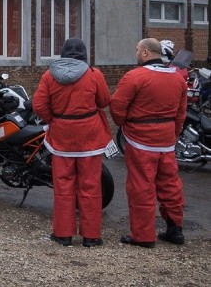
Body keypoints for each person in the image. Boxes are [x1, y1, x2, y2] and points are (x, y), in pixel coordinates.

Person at [32, 38, 112, 247]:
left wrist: (54, 119)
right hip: (89, 137)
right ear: (84, 54)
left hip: (61, 137)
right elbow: (103, 101)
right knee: (91, 187)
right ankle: (91, 236)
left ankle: (63, 234)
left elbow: (39, 105)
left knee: (63, 187)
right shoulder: (94, 74)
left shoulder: (49, 75)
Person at [110, 38, 188, 248]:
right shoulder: (178, 78)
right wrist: (173, 134)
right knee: (170, 185)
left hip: (140, 139)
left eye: (137, 50)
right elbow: (181, 114)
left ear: (145, 52)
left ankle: (143, 236)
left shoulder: (134, 77)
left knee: (141, 187)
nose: (136, 53)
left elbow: (117, 108)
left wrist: (124, 124)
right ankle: (175, 230)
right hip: (166, 139)